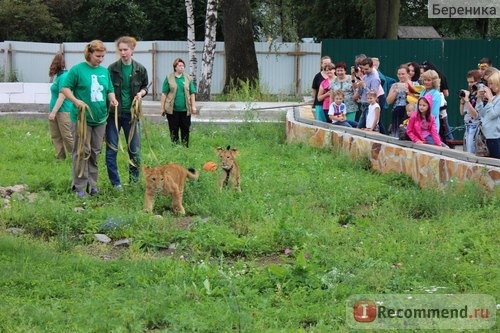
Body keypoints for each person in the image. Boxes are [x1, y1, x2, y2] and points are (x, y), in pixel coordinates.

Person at [62, 40, 119, 197]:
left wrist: (113, 99)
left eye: (102, 56)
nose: (100, 59)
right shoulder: (77, 70)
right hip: (82, 119)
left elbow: (109, 89)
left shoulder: (103, 71)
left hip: (100, 119)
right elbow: (65, 88)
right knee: (81, 151)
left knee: (94, 152)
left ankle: (92, 185)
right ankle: (79, 187)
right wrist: (75, 101)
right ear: (90, 53)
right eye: (98, 56)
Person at [106, 36, 149, 190]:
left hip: (132, 116)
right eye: (120, 50)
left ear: (132, 50)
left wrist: (141, 94)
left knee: (135, 151)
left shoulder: (140, 69)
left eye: (126, 50)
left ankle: (134, 182)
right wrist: (110, 99)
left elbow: (145, 87)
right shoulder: (111, 69)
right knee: (112, 150)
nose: (123, 53)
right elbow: (107, 88)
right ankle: (116, 183)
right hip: (113, 116)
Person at [160, 58, 197, 147]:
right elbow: (164, 94)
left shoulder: (188, 78)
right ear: (175, 67)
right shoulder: (169, 77)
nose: (182, 67)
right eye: (179, 65)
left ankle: (185, 147)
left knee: (185, 129)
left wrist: (193, 106)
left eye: (183, 66)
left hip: (185, 109)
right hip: (172, 110)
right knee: (173, 129)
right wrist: (162, 108)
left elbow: (192, 93)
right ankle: (175, 147)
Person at [48, 52, 74, 160]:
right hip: (54, 110)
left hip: (63, 111)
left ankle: (77, 157)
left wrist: (53, 112)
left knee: (67, 136)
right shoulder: (58, 77)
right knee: (56, 136)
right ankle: (60, 158)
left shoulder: (64, 77)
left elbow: (62, 97)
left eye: (53, 65)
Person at [421, 60, 453, 141]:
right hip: (420, 125)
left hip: (430, 126)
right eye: (425, 80)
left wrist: (424, 123)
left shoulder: (436, 94)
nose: (426, 82)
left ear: (434, 81)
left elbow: (433, 114)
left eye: (429, 80)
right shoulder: (423, 91)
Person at [473, 70, 500, 159]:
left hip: (495, 136)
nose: (490, 86)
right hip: (487, 136)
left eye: (492, 84)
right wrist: (479, 99)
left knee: (495, 163)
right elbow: (483, 114)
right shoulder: (495, 98)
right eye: (489, 84)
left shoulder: (496, 99)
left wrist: (489, 99)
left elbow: (493, 114)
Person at [354, 57, 381, 129]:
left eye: (366, 69)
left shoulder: (375, 79)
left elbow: (373, 94)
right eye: (363, 69)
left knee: (361, 126)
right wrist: (359, 86)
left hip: (369, 104)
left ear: (372, 67)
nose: (364, 71)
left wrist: (364, 86)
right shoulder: (365, 77)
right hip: (363, 103)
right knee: (365, 125)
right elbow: (360, 92)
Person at [459, 70, 481, 153]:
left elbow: (475, 115)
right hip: (467, 125)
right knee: (466, 152)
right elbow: (462, 113)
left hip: (475, 126)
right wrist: (462, 100)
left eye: (472, 82)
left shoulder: (480, 95)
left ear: (478, 81)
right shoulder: (470, 94)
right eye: (468, 82)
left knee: (470, 153)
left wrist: (467, 100)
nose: (470, 84)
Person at [386, 64, 411, 137]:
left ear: (408, 74)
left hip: (409, 112)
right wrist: (396, 91)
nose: (400, 76)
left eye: (403, 74)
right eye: (399, 74)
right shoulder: (394, 85)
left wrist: (408, 91)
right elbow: (388, 101)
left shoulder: (414, 84)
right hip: (397, 111)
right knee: (396, 133)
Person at [311, 56, 332, 122]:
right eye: (325, 63)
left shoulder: (335, 76)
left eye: (329, 63)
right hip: (320, 103)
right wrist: (313, 101)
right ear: (321, 64)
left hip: (331, 104)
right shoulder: (317, 76)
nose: (327, 65)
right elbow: (314, 90)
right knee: (320, 123)